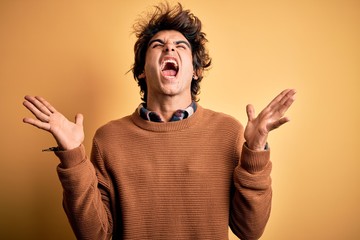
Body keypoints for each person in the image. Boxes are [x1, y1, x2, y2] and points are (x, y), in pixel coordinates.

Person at [23, 2, 296, 240]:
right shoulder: (109, 139)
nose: (169, 48)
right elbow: (95, 235)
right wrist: (72, 157)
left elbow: (250, 230)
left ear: (196, 71)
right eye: (158, 45)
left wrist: (256, 150)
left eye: (180, 46)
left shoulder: (228, 132)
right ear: (142, 71)